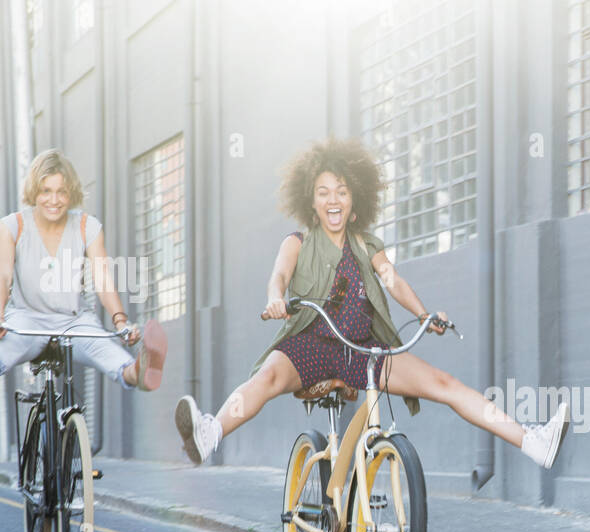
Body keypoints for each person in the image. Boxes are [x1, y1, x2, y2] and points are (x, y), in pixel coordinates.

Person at [174, 137, 569, 473]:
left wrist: (422, 313)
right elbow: (278, 276)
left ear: (354, 202)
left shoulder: (366, 245)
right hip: (306, 347)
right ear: (312, 202)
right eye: (324, 192)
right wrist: (275, 299)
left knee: (446, 384)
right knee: (267, 379)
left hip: (362, 350)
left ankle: (533, 442)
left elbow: (391, 279)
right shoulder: (296, 243)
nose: (333, 200)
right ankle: (210, 434)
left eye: (342, 191)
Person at [0, 149, 165, 391]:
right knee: (6, 350)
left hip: (75, 321)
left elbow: (102, 279)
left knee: (111, 356)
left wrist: (121, 323)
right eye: (46, 191)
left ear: (71, 193)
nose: (54, 200)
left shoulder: (86, 226)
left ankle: (141, 369)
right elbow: (2, 277)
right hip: (27, 320)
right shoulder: (11, 227)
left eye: (62, 192)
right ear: (34, 191)